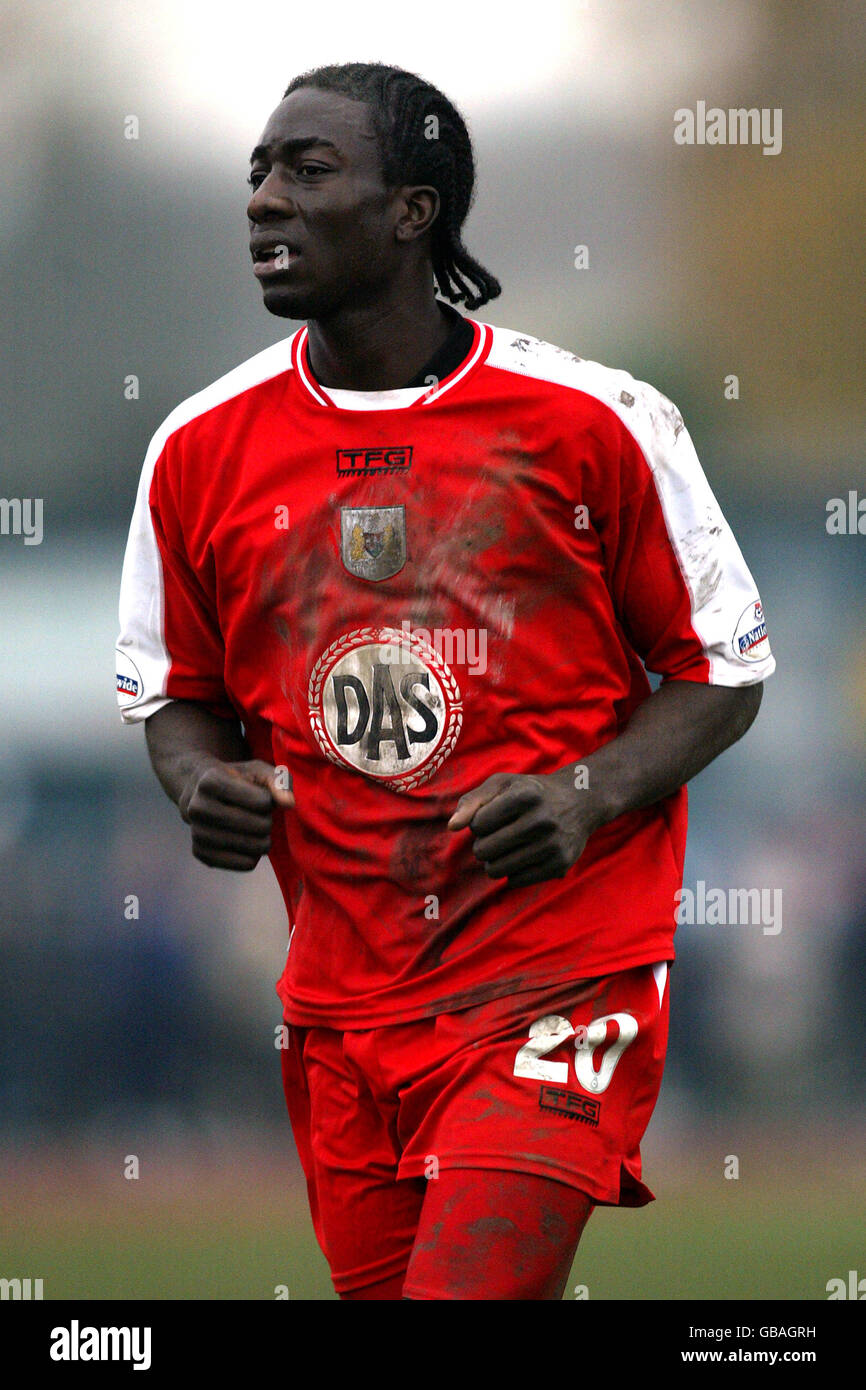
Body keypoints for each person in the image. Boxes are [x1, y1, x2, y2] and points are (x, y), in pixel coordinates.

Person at [116, 62, 775, 1301]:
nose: (264, 199)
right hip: (340, 1000)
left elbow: (723, 672)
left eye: (307, 171)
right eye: (256, 171)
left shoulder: (597, 421)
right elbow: (172, 690)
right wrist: (200, 778)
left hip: (553, 974)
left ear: (412, 210)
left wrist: (583, 794)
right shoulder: (196, 448)